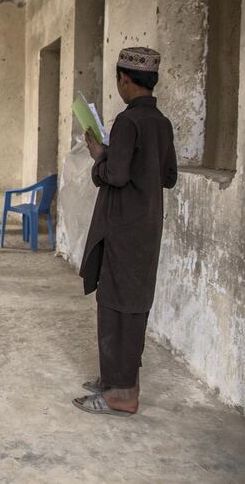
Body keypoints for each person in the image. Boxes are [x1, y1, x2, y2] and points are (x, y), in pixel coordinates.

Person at [73, 47, 178, 416]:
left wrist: (100, 157)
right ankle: (117, 379)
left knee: (117, 305)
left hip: (122, 226)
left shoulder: (128, 122)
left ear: (124, 80)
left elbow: (114, 176)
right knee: (131, 302)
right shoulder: (161, 123)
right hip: (147, 226)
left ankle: (124, 393)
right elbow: (168, 177)